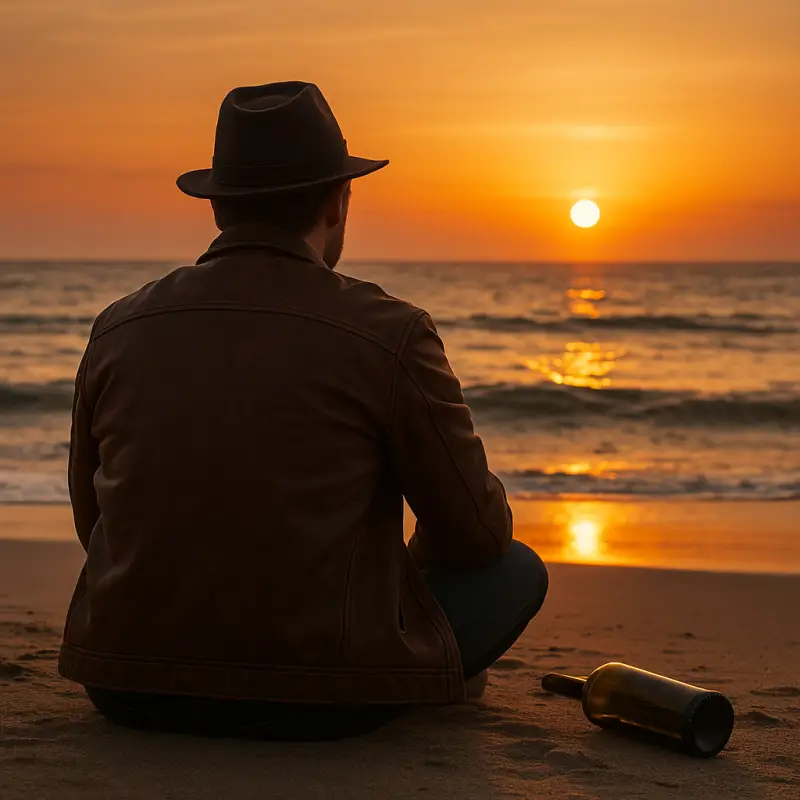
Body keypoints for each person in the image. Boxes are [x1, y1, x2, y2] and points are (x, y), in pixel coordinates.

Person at [58, 81, 549, 740]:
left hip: (126, 683)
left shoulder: (117, 327)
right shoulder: (390, 332)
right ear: (338, 202)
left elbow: (96, 525)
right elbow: (475, 537)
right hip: (320, 698)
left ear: (218, 209)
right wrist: (401, 584)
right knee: (515, 569)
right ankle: (440, 671)